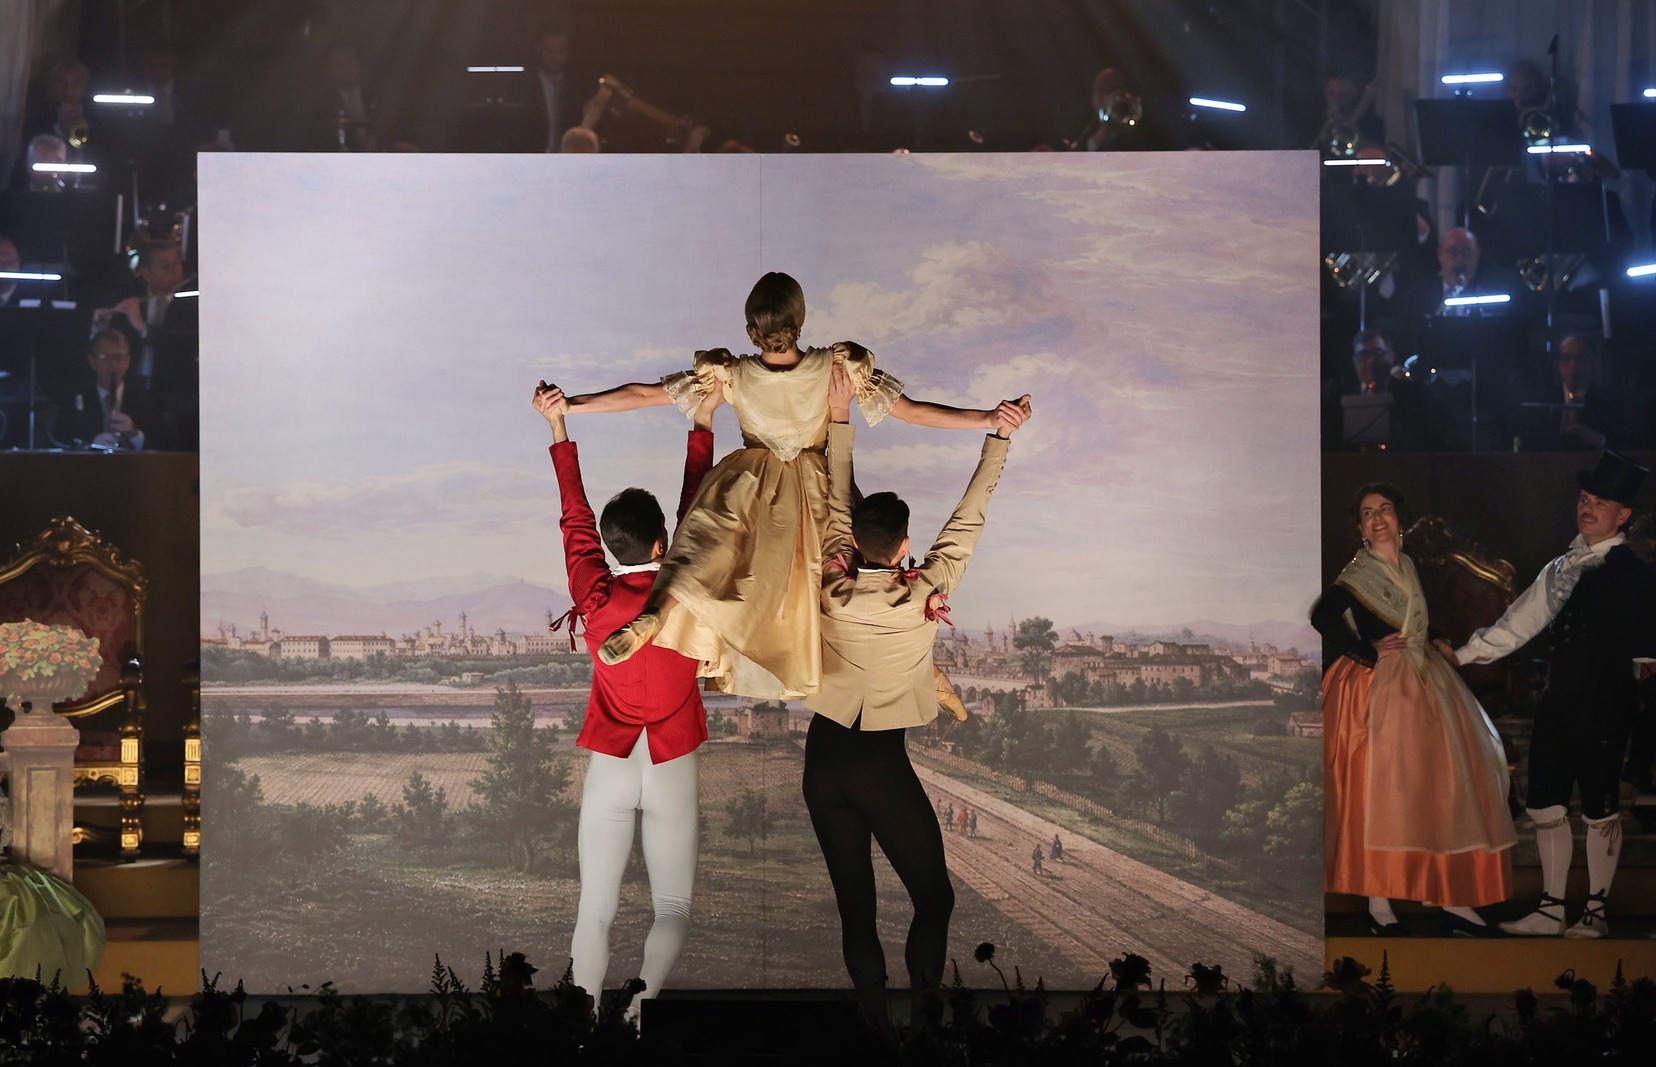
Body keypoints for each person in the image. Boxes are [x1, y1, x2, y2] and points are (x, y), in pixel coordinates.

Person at [560, 270, 1030, 698]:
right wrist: (989, 418)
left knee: (706, 555)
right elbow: (913, 411)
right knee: (841, 585)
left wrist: (570, 406)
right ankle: (912, 672)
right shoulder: (838, 368)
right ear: (800, 320)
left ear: (751, 328)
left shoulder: (731, 373)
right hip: (815, 486)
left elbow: (643, 395)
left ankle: (656, 614)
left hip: (749, 487)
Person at [802, 364, 1025, 1028]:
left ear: (854, 543)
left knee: (857, 911)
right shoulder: (924, 589)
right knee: (935, 901)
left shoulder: (831, 584)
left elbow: (835, 503)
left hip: (822, 763)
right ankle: (925, 1032)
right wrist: (999, 437)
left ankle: (877, 1037)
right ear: (905, 545)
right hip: (878, 766)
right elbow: (971, 512)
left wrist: (838, 418)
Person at [532, 378, 723, 1014]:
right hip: (672, 760)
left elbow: (574, 515)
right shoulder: (684, 588)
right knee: (672, 909)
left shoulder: (594, 594)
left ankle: (584, 1031)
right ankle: (638, 1017)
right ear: (664, 544)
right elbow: (697, 505)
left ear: (611, 546)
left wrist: (559, 427)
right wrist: (702, 421)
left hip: (611, 763)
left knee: (595, 907)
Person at [1447, 452, 1656, 938]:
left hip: (1606, 704)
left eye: (1600, 501)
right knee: (1545, 804)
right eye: (1584, 498)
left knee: (1601, 806)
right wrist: (1460, 656)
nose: (1587, 507)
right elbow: (1518, 622)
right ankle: (1551, 909)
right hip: (1557, 702)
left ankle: (1595, 912)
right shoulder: (1560, 567)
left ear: (1623, 514)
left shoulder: (1636, 573)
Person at [1311, 483, 1516, 937]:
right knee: (1384, 792)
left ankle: (1452, 900)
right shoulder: (1357, 572)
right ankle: (1379, 904)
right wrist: (1366, 651)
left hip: (1425, 681)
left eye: (1384, 509)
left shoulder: (1407, 564)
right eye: (1367, 513)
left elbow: (1411, 618)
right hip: (1382, 689)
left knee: (1443, 788)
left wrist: (1435, 635)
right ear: (1360, 527)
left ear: (1398, 518)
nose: (1377, 518)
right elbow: (1322, 617)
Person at [49, 329, 161, 450]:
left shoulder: (144, 398)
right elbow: (60, 437)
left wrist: (134, 434)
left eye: (118, 357)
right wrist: (91, 444)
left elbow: (162, 443)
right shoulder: (76, 397)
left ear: (127, 361)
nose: (113, 364)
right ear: (92, 362)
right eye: (104, 357)